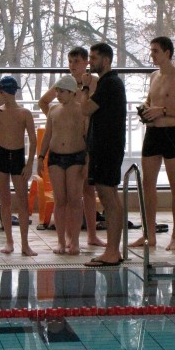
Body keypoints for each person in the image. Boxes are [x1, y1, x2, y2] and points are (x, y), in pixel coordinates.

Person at [131, 36, 175, 251]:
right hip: (153, 133)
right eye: (151, 50)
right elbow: (150, 101)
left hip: (171, 133)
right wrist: (146, 108)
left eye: (155, 51)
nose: (151, 54)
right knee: (147, 183)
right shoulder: (154, 76)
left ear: (167, 53)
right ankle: (149, 234)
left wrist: (164, 110)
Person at [38, 46, 105, 247]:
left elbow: (100, 108)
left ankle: (91, 235)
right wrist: (60, 122)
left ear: (86, 63)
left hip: (86, 143)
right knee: (66, 197)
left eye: (76, 61)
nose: (72, 65)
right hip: (65, 147)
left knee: (88, 191)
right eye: (69, 62)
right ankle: (68, 237)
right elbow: (43, 102)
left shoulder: (93, 82)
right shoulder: (64, 84)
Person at [80, 43, 127, 267]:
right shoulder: (110, 83)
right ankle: (113, 250)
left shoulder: (109, 83)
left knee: (108, 198)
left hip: (107, 148)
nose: (90, 62)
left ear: (106, 60)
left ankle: (112, 252)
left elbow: (85, 108)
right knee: (111, 198)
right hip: (108, 146)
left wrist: (85, 87)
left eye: (94, 58)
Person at [0, 75, 38, 256]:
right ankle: (9, 241)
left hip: (18, 156)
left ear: (6, 92)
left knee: (22, 201)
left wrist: (30, 163)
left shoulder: (24, 113)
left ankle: (25, 244)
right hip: (1, 155)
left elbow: (33, 140)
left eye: (0, 92)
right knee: (5, 201)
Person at [37, 75, 87, 255]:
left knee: (74, 200)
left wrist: (88, 162)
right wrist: (40, 157)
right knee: (59, 201)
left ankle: (74, 241)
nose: (57, 95)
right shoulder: (53, 110)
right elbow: (48, 135)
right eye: (57, 91)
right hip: (56, 158)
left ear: (72, 92)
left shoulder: (82, 111)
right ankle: (60, 241)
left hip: (76, 157)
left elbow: (88, 138)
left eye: (62, 92)